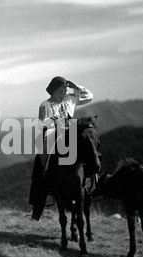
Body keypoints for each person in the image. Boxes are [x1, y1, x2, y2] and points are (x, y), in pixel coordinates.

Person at [29, 76, 93, 221]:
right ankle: (40, 198)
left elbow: (89, 96)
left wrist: (75, 86)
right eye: (63, 88)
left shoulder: (70, 98)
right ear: (56, 90)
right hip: (52, 134)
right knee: (41, 162)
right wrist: (56, 123)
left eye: (66, 87)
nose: (65, 90)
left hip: (71, 132)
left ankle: (91, 179)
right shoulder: (45, 105)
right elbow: (41, 124)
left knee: (90, 144)